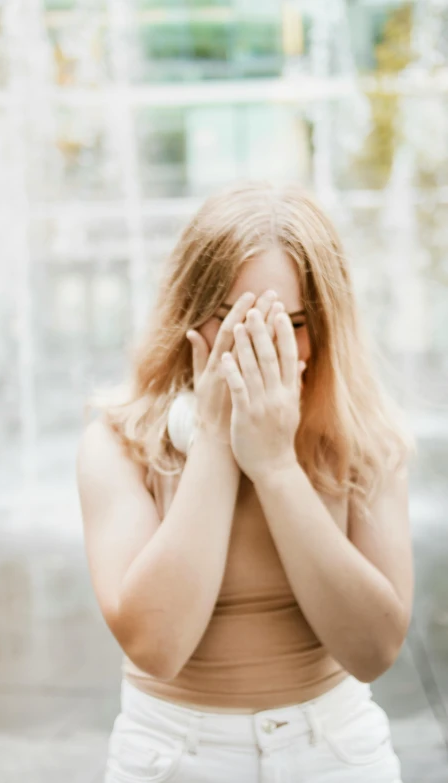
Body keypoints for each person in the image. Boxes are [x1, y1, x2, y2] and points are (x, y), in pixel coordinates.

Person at [76, 180, 415, 782]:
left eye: (292, 323)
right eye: (235, 321)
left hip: (334, 751)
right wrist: (214, 445)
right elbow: (157, 645)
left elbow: (373, 651)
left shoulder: (364, 437)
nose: (262, 348)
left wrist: (277, 467)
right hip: (174, 755)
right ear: (189, 313)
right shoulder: (119, 442)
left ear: (327, 324)